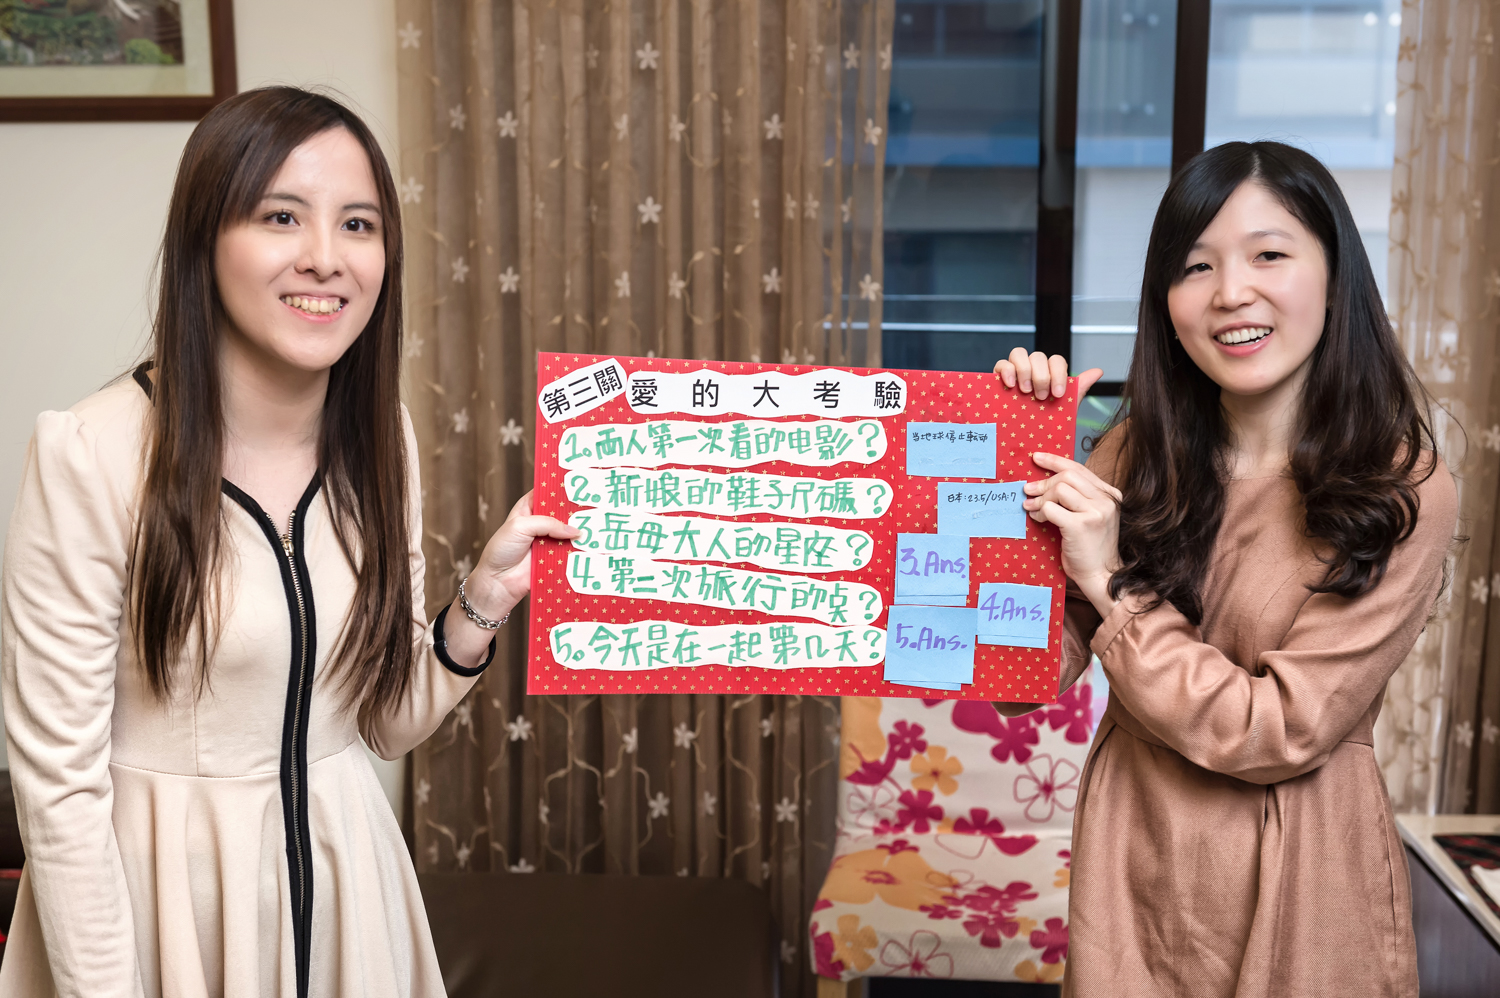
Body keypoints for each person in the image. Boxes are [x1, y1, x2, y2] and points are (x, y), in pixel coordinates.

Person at [0, 87, 577, 997]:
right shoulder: (93, 451)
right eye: (281, 217)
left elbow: (380, 723)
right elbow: (58, 793)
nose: (325, 257)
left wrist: (485, 601)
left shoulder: (380, 440)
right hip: (165, 924)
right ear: (205, 240)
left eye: (358, 224)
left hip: (352, 908)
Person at [994, 141, 1454, 997]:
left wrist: (1114, 581)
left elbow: (1279, 731)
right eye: (1196, 265)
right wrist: (1010, 456)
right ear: (1166, 302)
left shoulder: (1403, 488)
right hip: (1137, 862)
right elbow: (1022, 678)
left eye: (1268, 255)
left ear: (1334, 277)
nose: (1231, 292)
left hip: (1301, 874)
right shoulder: (1133, 452)